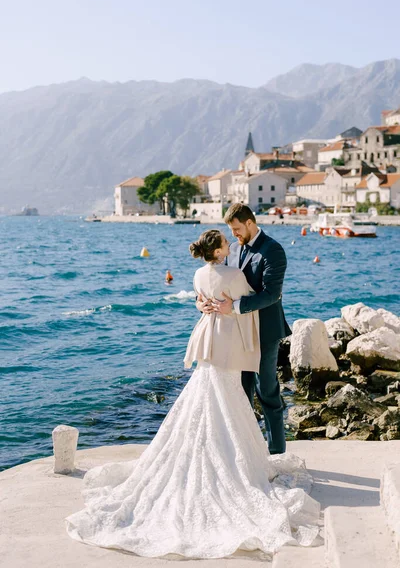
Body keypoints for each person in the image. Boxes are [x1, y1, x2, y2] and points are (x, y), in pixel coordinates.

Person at [66, 229, 319, 559]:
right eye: (226, 243)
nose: (231, 245)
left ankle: (212, 450)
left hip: (207, 340)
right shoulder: (234, 274)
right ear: (217, 251)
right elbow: (248, 305)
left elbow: (203, 299)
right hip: (228, 340)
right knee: (229, 399)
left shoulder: (199, 274)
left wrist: (207, 303)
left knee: (207, 395)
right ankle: (233, 460)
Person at [197, 203, 291, 455]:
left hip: (265, 332)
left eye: (237, 229)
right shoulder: (233, 250)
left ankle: (276, 452)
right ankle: (247, 452)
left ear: (250, 223)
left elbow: (272, 294)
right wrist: (201, 302)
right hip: (236, 332)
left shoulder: (273, 250)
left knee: (267, 391)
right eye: (232, 231)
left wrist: (235, 306)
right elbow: (217, 280)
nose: (235, 235)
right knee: (241, 391)